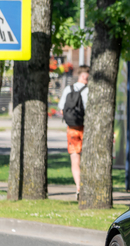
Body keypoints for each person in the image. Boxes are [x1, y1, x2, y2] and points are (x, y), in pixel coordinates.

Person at [58, 65, 90, 200]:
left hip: (71, 128)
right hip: (86, 128)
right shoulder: (89, 91)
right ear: (84, 76)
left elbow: (61, 110)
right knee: (88, 158)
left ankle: (78, 186)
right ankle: (87, 186)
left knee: (75, 159)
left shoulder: (68, 89)